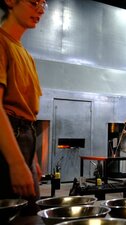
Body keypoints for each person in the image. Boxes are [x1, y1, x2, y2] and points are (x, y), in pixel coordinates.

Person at [0, 0, 47, 215]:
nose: (40, 10)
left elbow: (28, 113)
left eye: (44, 4)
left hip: (25, 140)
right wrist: (16, 163)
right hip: (8, 143)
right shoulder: (1, 43)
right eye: (33, 2)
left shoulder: (26, 56)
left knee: (29, 213)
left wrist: (31, 158)